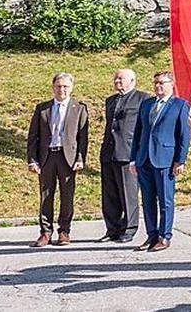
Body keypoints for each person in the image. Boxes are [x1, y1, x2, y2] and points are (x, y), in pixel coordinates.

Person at [129, 71, 191, 253]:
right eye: (155, 83)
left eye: (162, 83)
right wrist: (134, 158)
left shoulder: (179, 105)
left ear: (171, 84)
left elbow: (184, 136)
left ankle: (165, 236)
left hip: (165, 160)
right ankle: (152, 235)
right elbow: (138, 133)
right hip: (144, 159)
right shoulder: (147, 104)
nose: (158, 86)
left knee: (165, 200)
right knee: (147, 200)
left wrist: (180, 160)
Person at [27, 72, 89, 248]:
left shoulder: (79, 108)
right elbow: (33, 136)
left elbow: (83, 138)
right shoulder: (42, 108)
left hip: (67, 157)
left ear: (71, 88)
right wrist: (32, 160)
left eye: (65, 86)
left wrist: (80, 158)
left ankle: (64, 231)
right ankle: (45, 232)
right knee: (46, 195)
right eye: (58, 86)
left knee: (67, 196)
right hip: (47, 157)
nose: (62, 89)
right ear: (53, 87)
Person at [100, 69, 148, 243]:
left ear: (132, 80)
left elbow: (143, 127)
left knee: (128, 193)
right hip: (109, 153)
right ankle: (112, 229)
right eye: (115, 78)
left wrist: (139, 153)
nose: (117, 81)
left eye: (121, 78)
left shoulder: (142, 98)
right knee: (109, 194)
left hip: (128, 153)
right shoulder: (111, 100)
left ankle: (129, 228)